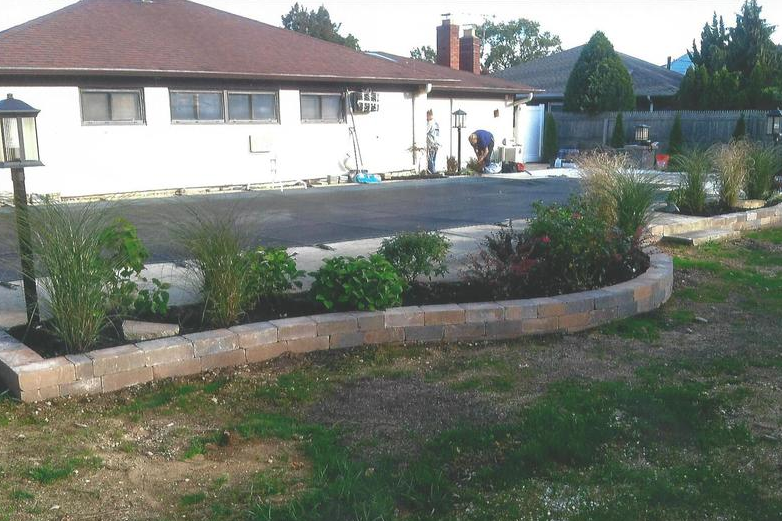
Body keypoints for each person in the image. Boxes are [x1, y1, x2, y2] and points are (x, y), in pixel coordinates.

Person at [426, 109, 440, 175]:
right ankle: (434, 170)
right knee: (434, 158)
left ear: (428, 115)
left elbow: (425, 131)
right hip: (436, 143)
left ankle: (432, 172)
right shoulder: (436, 123)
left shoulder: (430, 123)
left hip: (431, 143)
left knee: (430, 158)